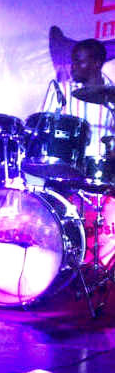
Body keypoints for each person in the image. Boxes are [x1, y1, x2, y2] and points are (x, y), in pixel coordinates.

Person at [45, 38, 115, 266]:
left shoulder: (113, 96)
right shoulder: (62, 91)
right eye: (72, 61)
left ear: (96, 63)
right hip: (69, 173)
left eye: (79, 61)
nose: (73, 66)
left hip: (103, 175)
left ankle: (103, 263)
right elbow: (46, 129)